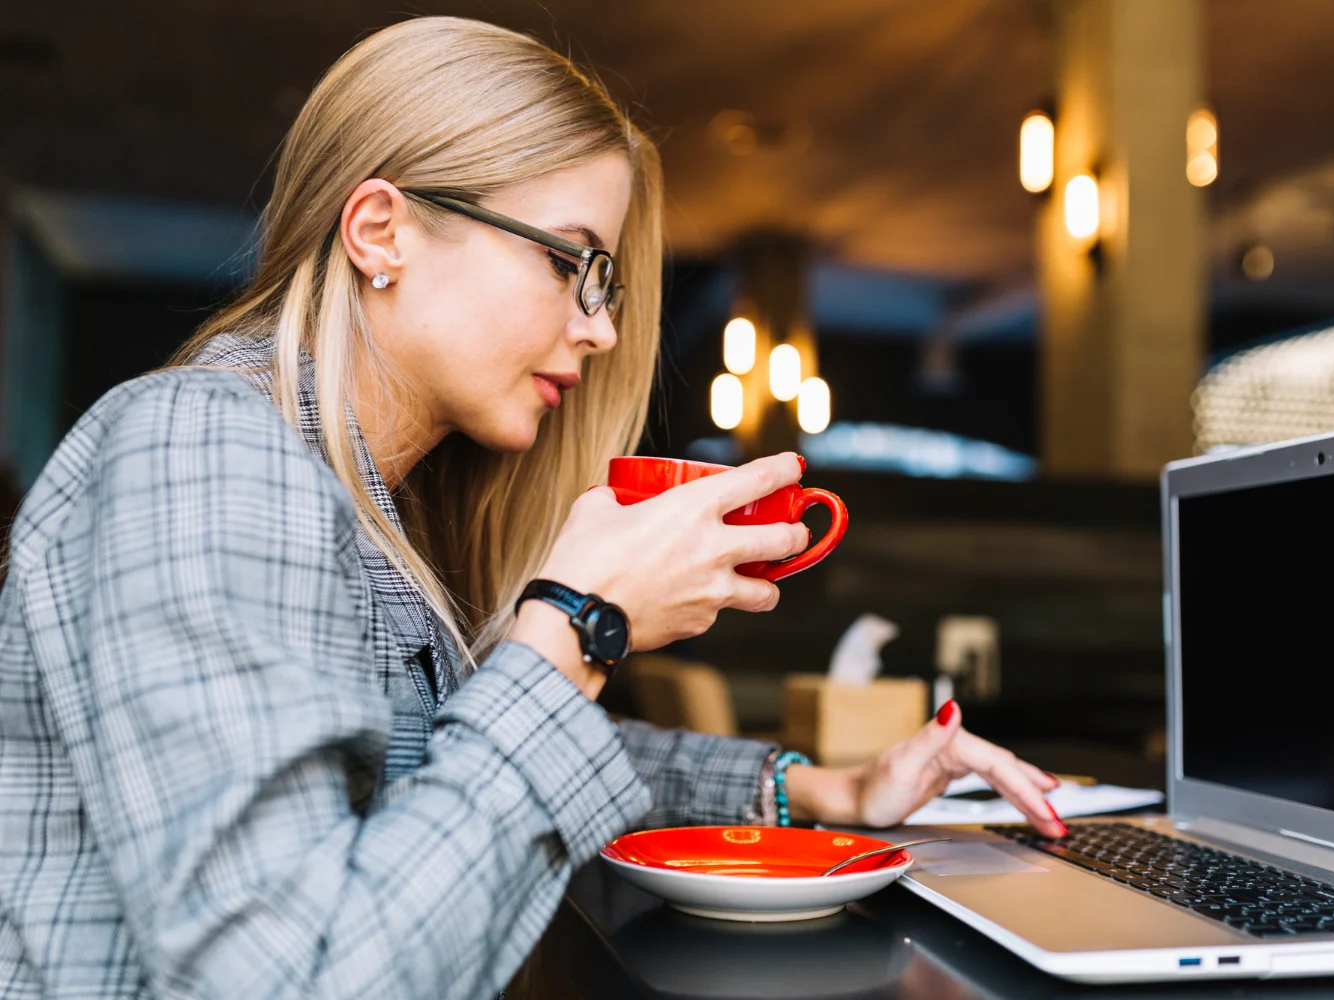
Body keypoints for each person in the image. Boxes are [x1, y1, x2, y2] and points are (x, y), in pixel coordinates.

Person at [0, 17, 1066, 999]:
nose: (599, 330)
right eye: (571, 264)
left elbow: (446, 759)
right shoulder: (206, 448)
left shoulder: (371, 503)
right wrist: (578, 623)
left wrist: (823, 790)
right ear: (382, 230)